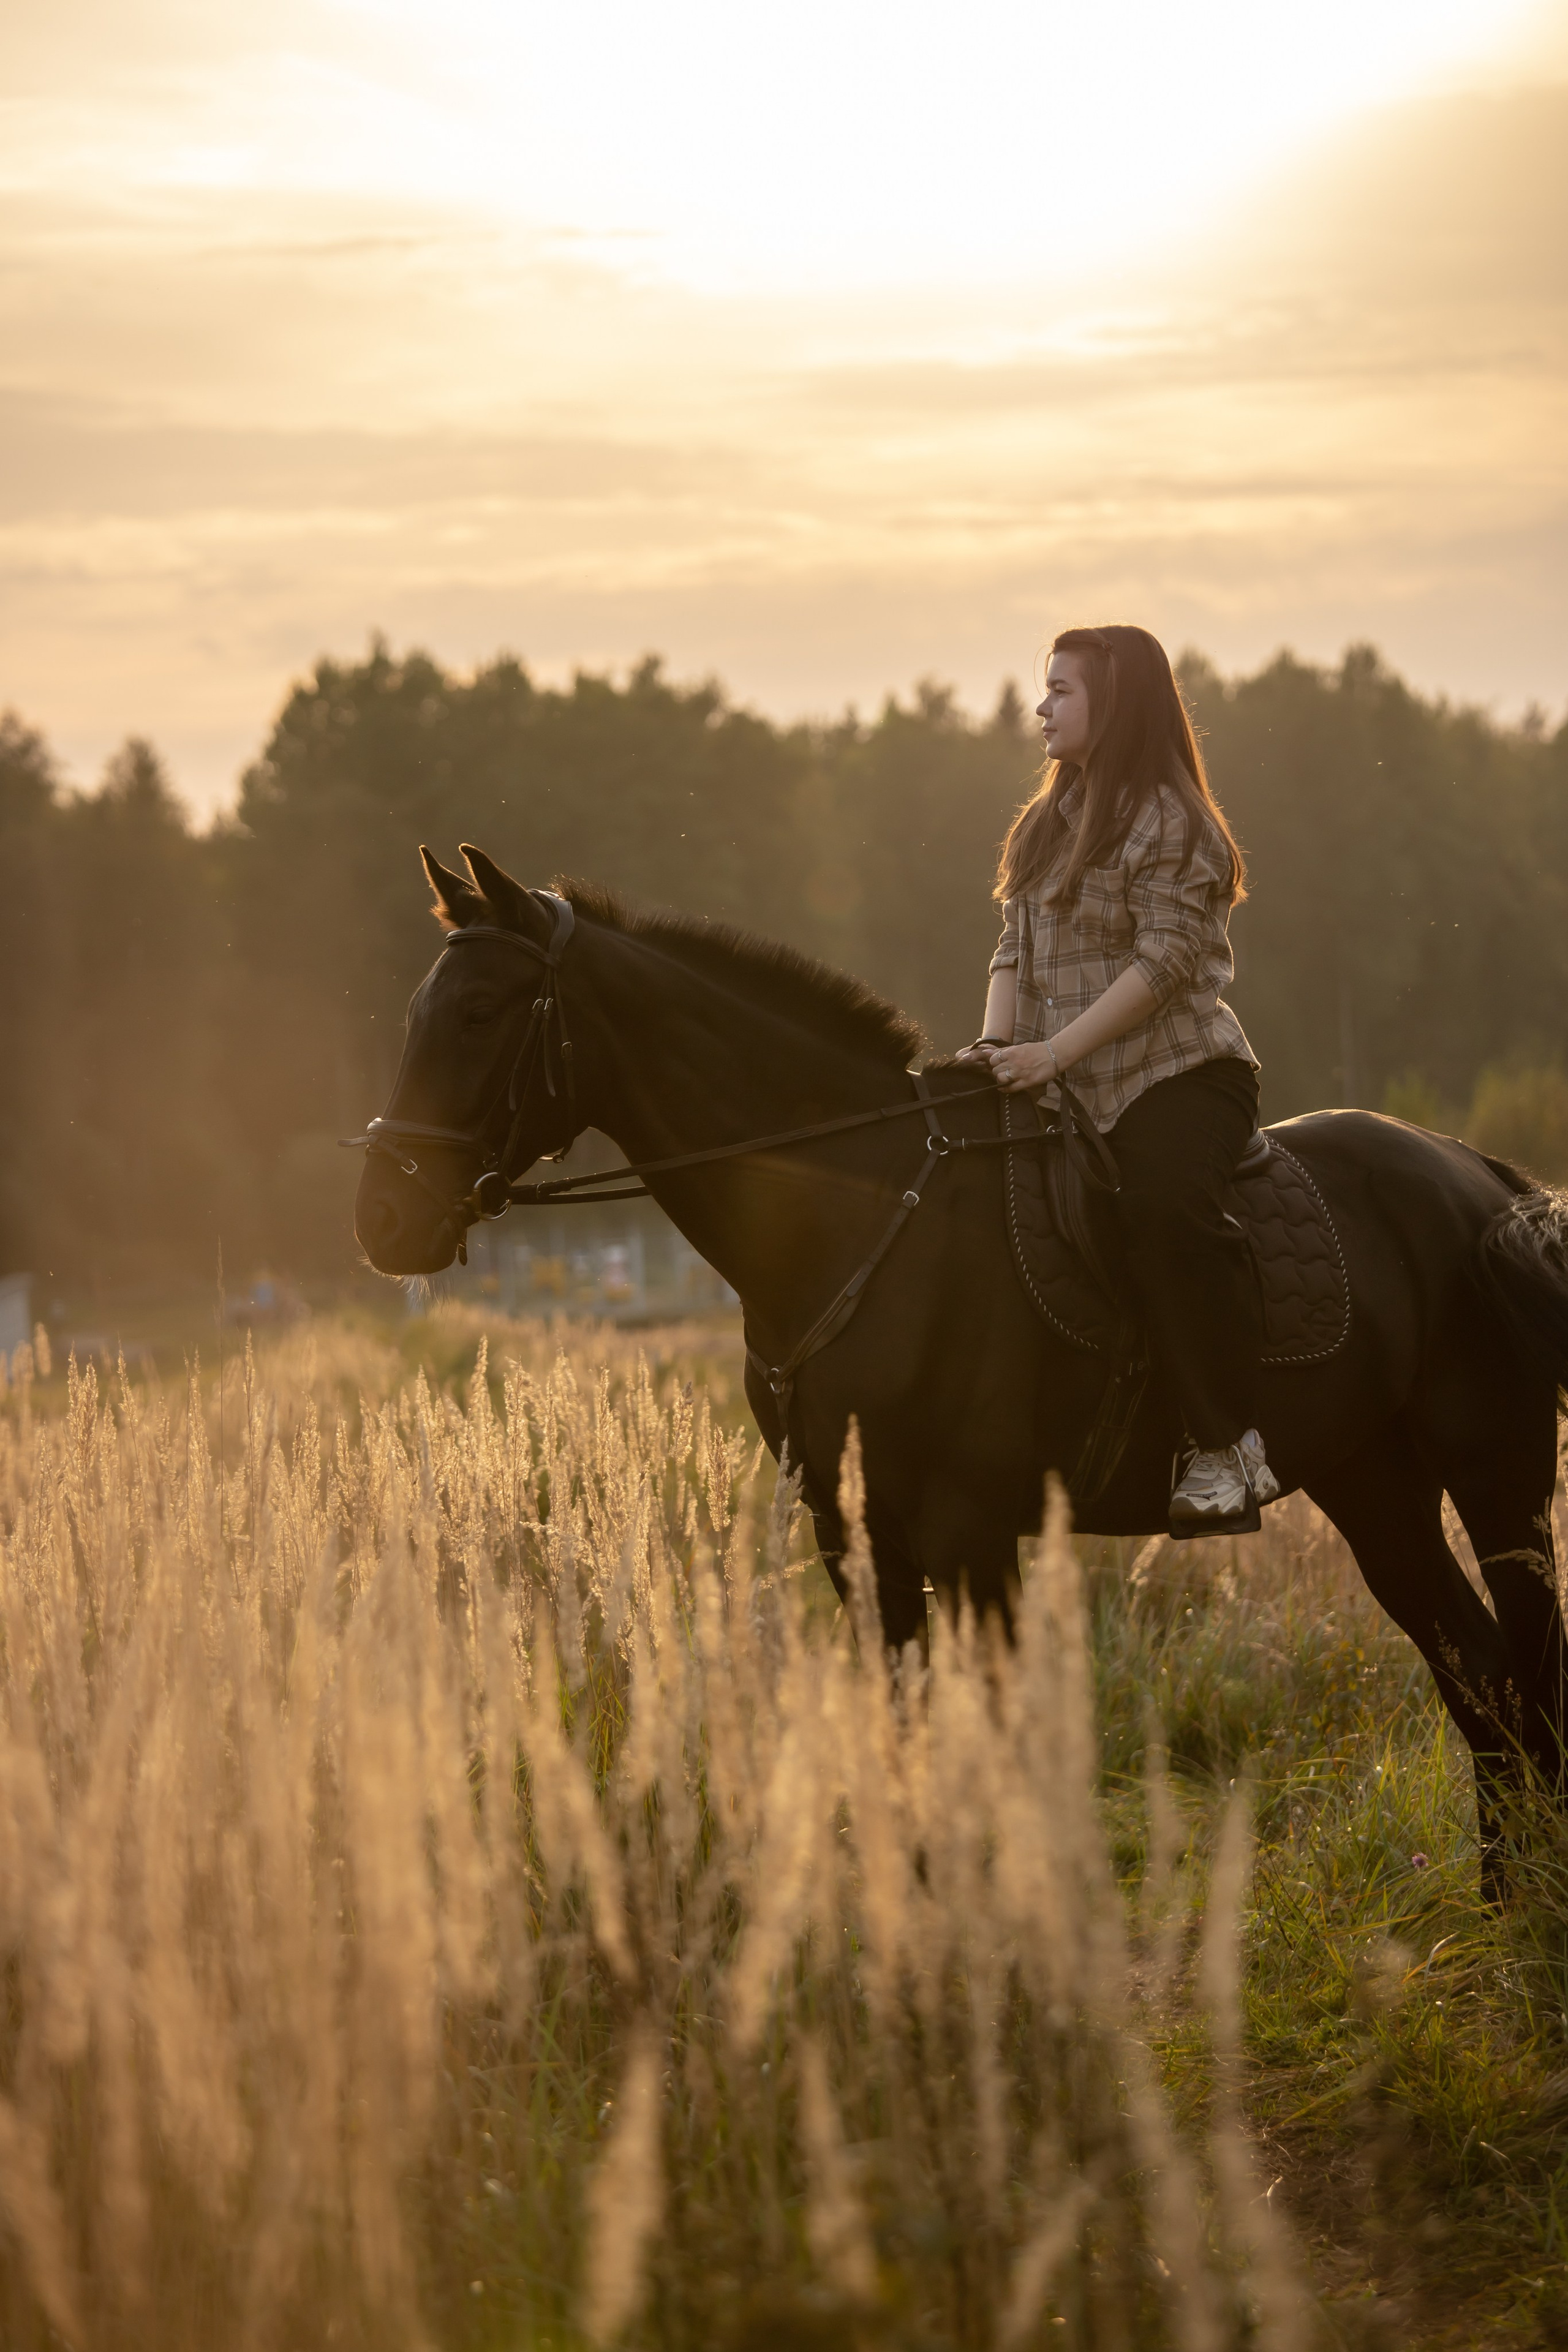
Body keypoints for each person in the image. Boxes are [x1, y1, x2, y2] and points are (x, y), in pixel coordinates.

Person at [959, 623, 1280, 1536]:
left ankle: (1228, 1450)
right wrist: (993, 1048)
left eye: (1060, 690)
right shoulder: (1045, 821)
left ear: (1116, 702)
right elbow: (1012, 949)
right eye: (1045, 689)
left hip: (1175, 1075)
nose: (1041, 707)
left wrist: (1053, 1054)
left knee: (1162, 1208)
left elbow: (1166, 963)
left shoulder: (1174, 822)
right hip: (1058, 1081)